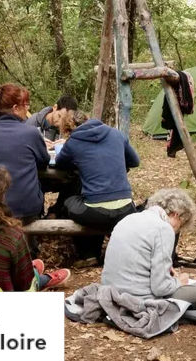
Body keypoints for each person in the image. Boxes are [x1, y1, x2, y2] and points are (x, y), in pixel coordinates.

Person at [102, 188, 196, 309]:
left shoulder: (128, 219)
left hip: (111, 294)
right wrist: (179, 281)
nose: (177, 230)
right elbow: (160, 288)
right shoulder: (164, 228)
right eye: (181, 225)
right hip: (141, 300)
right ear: (176, 215)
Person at [0, 166, 71, 291]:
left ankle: (33, 271)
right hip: (2, 294)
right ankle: (40, 277)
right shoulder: (11, 235)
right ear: (3, 195)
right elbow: (24, 284)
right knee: (29, 278)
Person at [56, 111, 140, 266]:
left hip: (96, 213)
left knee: (69, 202)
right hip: (127, 209)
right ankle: (102, 252)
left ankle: (88, 254)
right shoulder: (116, 134)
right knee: (94, 201)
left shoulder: (73, 142)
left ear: (70, 129)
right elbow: (135, 161)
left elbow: (60, 163)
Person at [0, 83, 50, 225]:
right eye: (26, 105)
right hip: (26, 208)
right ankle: (30, 243)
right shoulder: (31, 132)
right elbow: (44, 161)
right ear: (15, 108)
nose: (27, 109)